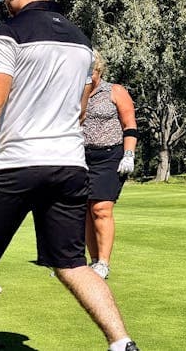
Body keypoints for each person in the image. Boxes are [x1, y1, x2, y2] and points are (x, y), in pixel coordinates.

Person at [0, 0, 136, 351]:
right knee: (72, 264)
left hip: (18, 163)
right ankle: (122, 343)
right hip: (70, 164)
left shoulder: (7, 34)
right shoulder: (82, 42)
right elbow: (82, 110)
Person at [83, 51, 138, 280]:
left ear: (99, 70)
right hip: (81, 156)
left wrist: (129, 154)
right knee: (85, 210)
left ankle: (104, 263)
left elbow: (130, 125)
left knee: (101, 208)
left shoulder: (115, 91)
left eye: (91, 71)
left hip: (110, 156)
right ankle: (93, 261)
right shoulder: (77, 94)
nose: (88, 76)